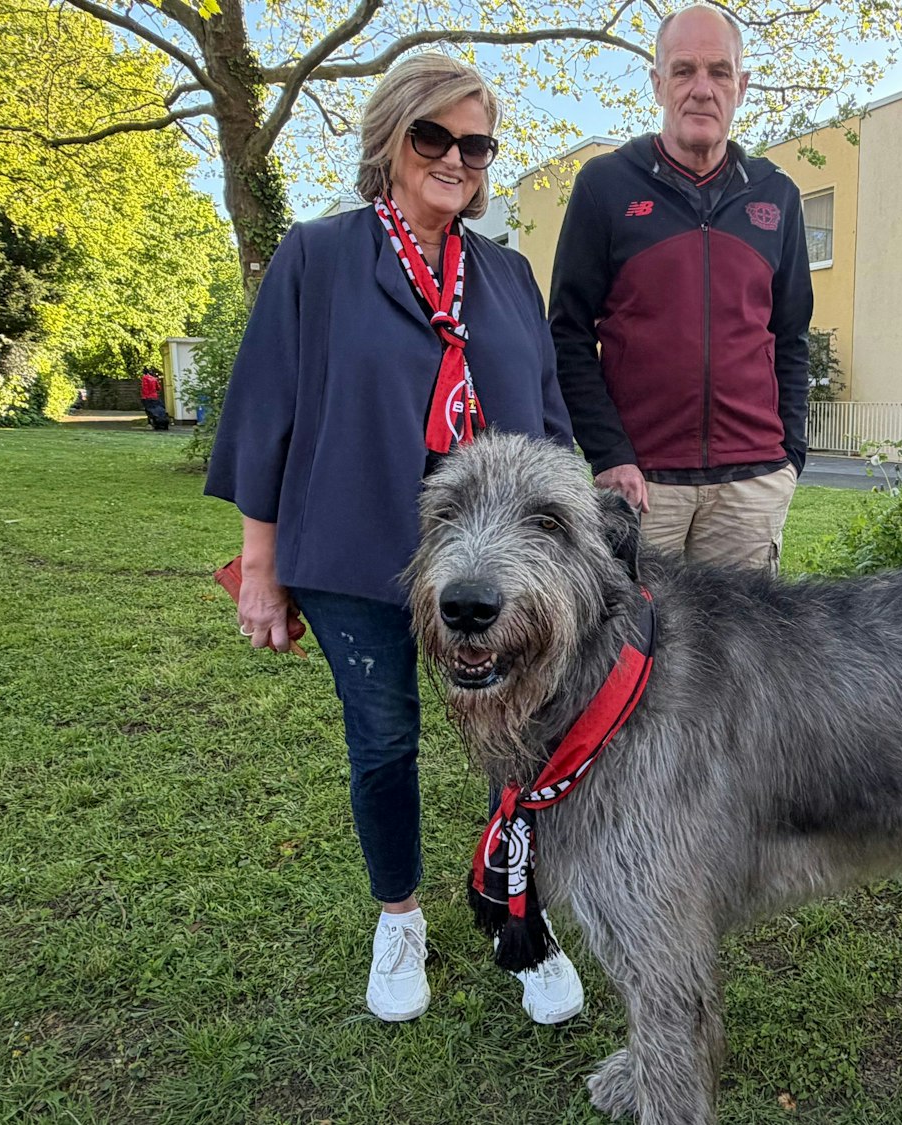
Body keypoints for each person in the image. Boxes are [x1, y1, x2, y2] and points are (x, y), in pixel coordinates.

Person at [203, 53, 582, 1026]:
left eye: (475, 144)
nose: (455, 159)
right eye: (434, 137)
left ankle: (520, 921)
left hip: (492, 562)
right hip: (354, 545)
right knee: (383, 744)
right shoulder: (318, 258)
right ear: (391, 139)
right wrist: (261, 569)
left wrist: (576, 543)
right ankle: (400, 919)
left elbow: (543, 423)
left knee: (521, 747)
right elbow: (264, 414)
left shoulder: (501, 276)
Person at [549, 4, 813, 571]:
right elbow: (567, 335)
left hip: (752, 485)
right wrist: (610, 454)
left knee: (747, 660)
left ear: (741, 86)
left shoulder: (777, 196)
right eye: (684, 70)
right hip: (641, 485)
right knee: (631, 652)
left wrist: (789, 456)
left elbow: (791, 336)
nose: (702, 89)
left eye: (719, 72)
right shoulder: (605, 185)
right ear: (657, 83)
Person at [139, 366, 170, 431]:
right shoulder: (154, 379)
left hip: (147, 397)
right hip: (154, 397)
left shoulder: (144, 378)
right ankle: (160, 421)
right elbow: (158, 388)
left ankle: (150, 423)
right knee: (157, 409)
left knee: (149, 410)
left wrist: (144, 396)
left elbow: (144, 388)